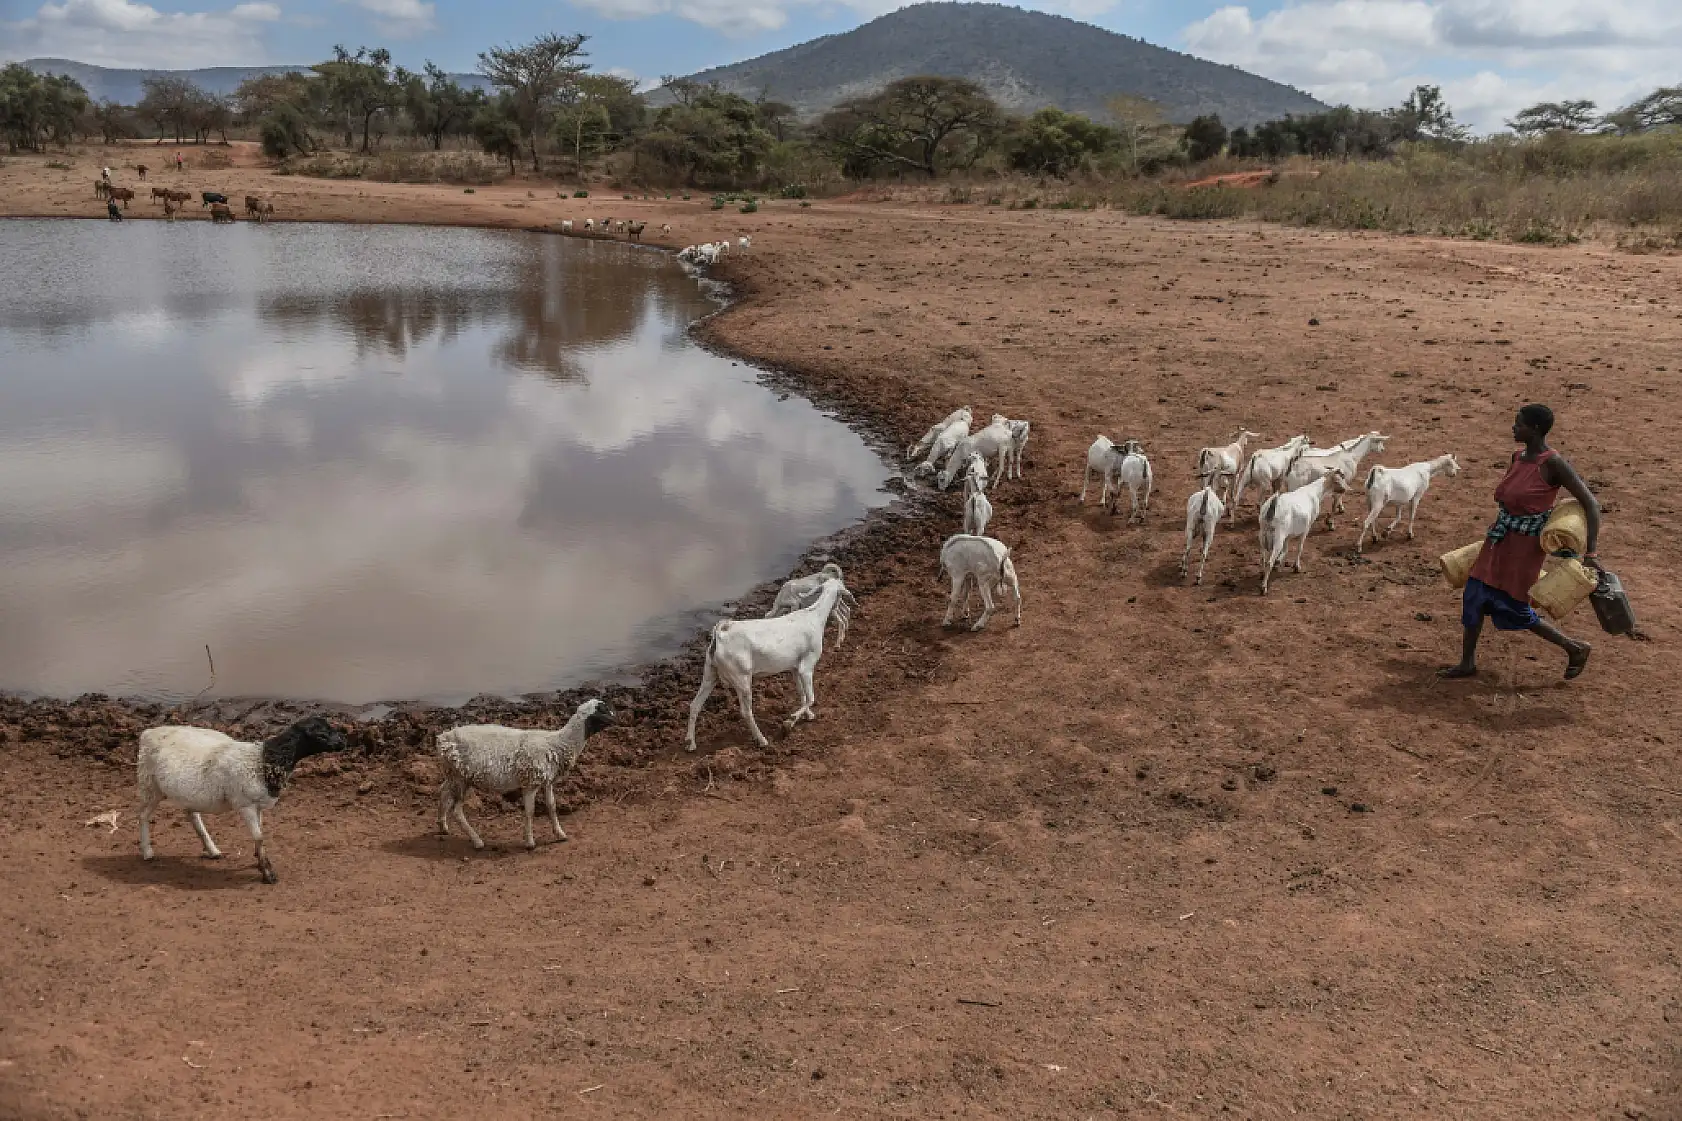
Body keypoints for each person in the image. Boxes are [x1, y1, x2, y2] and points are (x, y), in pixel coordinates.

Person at [1440, 404, 1600, 680]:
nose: (1514, 428)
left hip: (1525, 548)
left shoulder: (1553, 463)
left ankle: (1574, 647)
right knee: (1475, 594)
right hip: (1499, 538)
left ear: (1535, 429)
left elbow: (1590, 504)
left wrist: (1592, 552)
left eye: (1519, 424)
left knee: (1512, 606)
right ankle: (1467, 663)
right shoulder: (1517, 457)